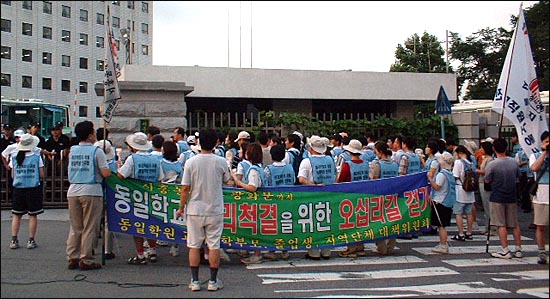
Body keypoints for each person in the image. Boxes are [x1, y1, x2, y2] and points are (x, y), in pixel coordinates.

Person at [176, 128, 230, 292]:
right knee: (214, 245)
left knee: (193, 245)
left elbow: (185, 188)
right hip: (215, 208)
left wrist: (181, 208)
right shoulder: (221, 161)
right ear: (216, 143)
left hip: (194, 209)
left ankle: (195, 281)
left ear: (199, 142)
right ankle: (213, 281)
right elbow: (227, 181)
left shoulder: (191, 161)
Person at [66, 121, 111, 270]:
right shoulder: (96, 151)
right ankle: (86, 258)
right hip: (91, 189)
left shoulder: (72, 150)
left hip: (73, 190)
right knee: (90, 226)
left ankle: (72, 256)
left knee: (75, 226)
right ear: (90, 134)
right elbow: (105, 173)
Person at [118, 132, 164, 265]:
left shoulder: (132, 159)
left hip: (136, 197)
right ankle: (153, 250)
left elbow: (121, 175)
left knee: (137, 226)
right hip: (152, 197)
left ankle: (140, 254)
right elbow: (160, 179)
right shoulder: (156, 160)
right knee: (152, 224)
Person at [484, 138, 522, 259]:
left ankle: (505, 249)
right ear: (506, 148)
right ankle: (518, 249)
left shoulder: (492, 164)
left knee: (501, 224)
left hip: (497, 195)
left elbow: (487, 179)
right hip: (511, 195)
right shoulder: (513, 162)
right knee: (514, 224)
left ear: (494, 148)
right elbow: (518, 176)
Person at [298, 135, 335, 260]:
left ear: (311, 148)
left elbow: (302, 179)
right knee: (327, 222)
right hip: (330, 195)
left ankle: (314, 252)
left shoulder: (307, 161)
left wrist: (313, 185)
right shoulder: (330, 159)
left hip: (312, 196)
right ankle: (326, 251)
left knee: (313, 223)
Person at [232, 143, 268, 264]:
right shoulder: (260, 167)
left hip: (256, 203)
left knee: (255, 229)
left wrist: (239, 183)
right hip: (262, 202)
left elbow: (253, 187)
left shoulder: (253, 170)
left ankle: (257, 254)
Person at [8, 134, 44, 250]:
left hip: (18, 188)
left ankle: (14, 239)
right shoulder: (36, 157)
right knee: (32, 215)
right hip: (33, 188)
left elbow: (13, 175)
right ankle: (31, 240)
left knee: (16, 215)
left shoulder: (14, 158)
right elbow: (42, 174)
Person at [337, 139, 370, 258]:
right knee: (361, 222)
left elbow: (341, 181)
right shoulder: (366, 164)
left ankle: (351, 248)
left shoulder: (347, 165)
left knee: (350, 223)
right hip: (364, 196)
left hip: (350, 198)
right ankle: (360, 246)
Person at [262, 144, 294, 261]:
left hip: (274, 201)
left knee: (274, 226)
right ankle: (286, 250)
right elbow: (293, 181)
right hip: (289, 200)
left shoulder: (268, 169)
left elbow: (266, 184)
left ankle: (272, 250)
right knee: (286, 224)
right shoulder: (290, 167)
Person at [369, 141, 399, 255]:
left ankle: (381, 247)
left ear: (380, 152)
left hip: (380, 197)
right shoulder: (394, 164)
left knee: (379, 221)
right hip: (392, 196)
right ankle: (390, 246)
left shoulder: (377, 164)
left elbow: (374, 180)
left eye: (375, 150)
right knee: (391, 221)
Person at [427, 152, 456, 254]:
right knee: (442, 225)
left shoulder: (441, 174)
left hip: (440, 201)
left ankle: (443, 245)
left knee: (441, 226)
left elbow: (437, 187)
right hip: (447, 201)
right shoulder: (450, 173)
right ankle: (443, 243)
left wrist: (430, 179)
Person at [529, 131, 549, 264]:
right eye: (547, 141)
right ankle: (541, 251)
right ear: (542, 143)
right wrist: (544, 153)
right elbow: (534, 168)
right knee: (540, 225)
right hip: (541, 194)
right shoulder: (535, 155)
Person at [450, 145, 476, 241]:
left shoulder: (458, 162)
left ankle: (461, 233)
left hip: (460, 189)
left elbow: (455, 175)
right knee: (469, 213)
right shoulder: (471, 162)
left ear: (459, 153)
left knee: (458, 213)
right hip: (470, 190)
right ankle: (469, 232)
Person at [476, 141, 494, 235]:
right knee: (485, 204)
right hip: (481, 181)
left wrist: (477, 170)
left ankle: (492, 227)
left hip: (485, 182)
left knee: (488, 205)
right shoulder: (485, 158)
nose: (481, 150)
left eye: (482, 148)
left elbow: (486, 172)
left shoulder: (490, 160)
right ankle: (487, 226)